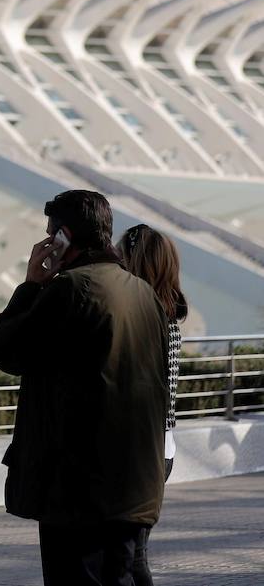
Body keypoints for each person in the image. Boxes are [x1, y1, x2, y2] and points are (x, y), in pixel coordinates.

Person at [0, 190, 168, 586]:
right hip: (133, 485)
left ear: (64, 236)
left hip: (77, 492)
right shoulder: (144, 294)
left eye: (50, 233)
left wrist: (32, 284)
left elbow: (5, 351)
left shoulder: (72, 288)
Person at [117, 224, 189, 586]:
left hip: (138, 449)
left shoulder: (141, 318)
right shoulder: (169, 315)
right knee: (133, 555)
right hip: (163, 446)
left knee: (125, 560)